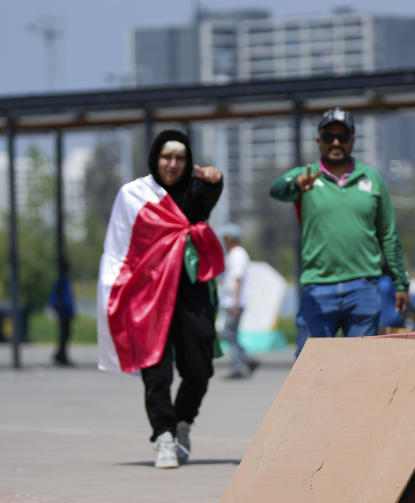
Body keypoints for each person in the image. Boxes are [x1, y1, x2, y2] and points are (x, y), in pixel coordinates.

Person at [97, 130, 226, 469]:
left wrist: (216, 180)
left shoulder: (196, 192)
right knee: (156, 372)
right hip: (150, 295)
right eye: (166, 157)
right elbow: (119, 247)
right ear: (155, 158)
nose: (172, 164)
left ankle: (183, 423)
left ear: (189, 161)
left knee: (199, 369)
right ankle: (164, 436)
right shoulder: (134, 195)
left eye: (180, 157)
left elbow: (210, 195)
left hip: (192, 293)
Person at [270, 107, 409, 346]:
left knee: (361, 367)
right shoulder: (306, 176)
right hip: (318, 287)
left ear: (352, 140)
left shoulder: (372, 179)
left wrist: (401, 283)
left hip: (363, 287)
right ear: (318, 140)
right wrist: (297, 184)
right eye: (328, 137)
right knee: (310, 368)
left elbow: (389, 235)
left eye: (343, 137)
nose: (336, 142)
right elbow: (277, 189)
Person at [219, 224, 259, 379]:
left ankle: (241, 364)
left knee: (228, 333)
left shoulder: (237, 254)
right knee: (231, 334)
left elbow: (238, 279)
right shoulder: (232, 254)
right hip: (231, 301)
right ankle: (245, 361)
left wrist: (235, 303)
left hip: (234, 302)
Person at [49, 258, 75, 366]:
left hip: (62, 311)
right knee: (64, 334)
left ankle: (60, 354)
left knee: (64, 335)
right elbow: (68, 298)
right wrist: (70, 311)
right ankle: (61, 356)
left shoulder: (60, 280)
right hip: (65, 312)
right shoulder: (64, 280)